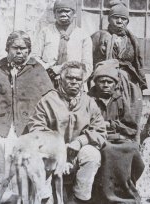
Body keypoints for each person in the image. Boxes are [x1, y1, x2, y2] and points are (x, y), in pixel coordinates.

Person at [27, 61, 107, 203]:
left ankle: (79, 198)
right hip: (52, 154)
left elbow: (100, 131)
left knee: (92, 154)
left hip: (76, 153)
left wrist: (80, 142)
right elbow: (36, 128)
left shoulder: (89, 102)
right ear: (60, 79)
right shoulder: (47, 100)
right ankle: (45, 197)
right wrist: (57, 148)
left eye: (78, 79)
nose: (74, 82)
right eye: (70, 78)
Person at [0, 30, 53, 139]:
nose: (19, 52)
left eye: (23, 48)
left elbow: (49, 100)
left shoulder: (37, 69)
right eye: (15, 48)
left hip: (30, 127)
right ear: (7, 49)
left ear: (29, 50)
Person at [87, 59, 144, 203]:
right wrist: (100, 127)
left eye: (110, 82)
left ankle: (125, 192)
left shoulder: (119, 100)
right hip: (97, 139)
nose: (106, 85)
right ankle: (106, 195)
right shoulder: (88, 99)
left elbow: (131, 127)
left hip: (117, 137)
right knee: (108, 151)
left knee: (132, 149)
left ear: (115, 84)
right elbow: (83, 124)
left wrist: (112, 125)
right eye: (102, 81)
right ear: (95, 82)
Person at [91, 1, 147, 134]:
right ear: (109, 19)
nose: (120, 21)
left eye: (123, 19)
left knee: (130, 111)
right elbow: (91, 60)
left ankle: (130, 141)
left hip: (129, 83)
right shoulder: (99, 36)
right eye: (116, 18)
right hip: (106, 80)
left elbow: (137, 63)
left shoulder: (132, 39)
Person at [32, 0, 93, 88]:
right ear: (54, 14)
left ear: (74, 13)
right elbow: (35, 57)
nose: (63, 14)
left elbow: (87, 66)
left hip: (74, 84)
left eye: (67, 11)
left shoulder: (83, 35)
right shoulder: (45, 32)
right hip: (48, 81)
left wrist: (70, 77)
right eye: (60, 11)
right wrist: (49, 70)